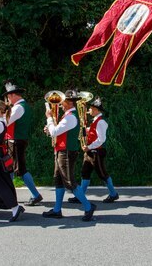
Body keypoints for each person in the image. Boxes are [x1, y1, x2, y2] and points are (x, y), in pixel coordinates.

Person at [43, 89, 96, 221]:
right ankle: (57, 209)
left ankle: (88, 207)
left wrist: (49, 119)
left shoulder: (71, 117)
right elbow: (57, 132)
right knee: (58, 180)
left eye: (63, 101)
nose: (60, 103)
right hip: (62, 151)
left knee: (69, 182)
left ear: (68, 102)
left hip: (66, 152)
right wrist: (49, 129)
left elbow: (55, 131)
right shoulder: (68, 116)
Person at [68, 96, 119, 204]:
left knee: (102, 174)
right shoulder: (95, 121)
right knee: (85, 173)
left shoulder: (101, 122)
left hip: (97, 152)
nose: (88, 110)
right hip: (91, 152)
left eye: (90, 108)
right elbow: (92, 134)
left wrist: (89, 147)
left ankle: (113, 194)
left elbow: (101, 139)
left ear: (96, 110)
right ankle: (80, 195)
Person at [3, 81, 43, 207]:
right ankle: (7, 195)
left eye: (9, 96)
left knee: (20, 169)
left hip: (16, 141)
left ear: (14, 95)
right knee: (10, 168)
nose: (8, 99)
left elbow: (6, 122)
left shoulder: (19, 107)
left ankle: (36, 195)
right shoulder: (20, 106)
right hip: (14, 140)